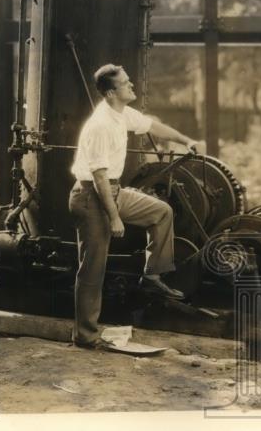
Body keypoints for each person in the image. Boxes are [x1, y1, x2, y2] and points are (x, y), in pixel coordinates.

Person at [69, 63, 200, 349]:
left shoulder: (121, 114)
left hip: (112, 190)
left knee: (161, 212)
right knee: (93, 270)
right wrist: (114, 217)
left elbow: (152, 125)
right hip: (91, 197)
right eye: (126, 83)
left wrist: (185, 140)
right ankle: (86, 337)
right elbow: (99, 176)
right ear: (111, 93)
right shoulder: (100, 125)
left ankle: (152, 275)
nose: (132, 87)